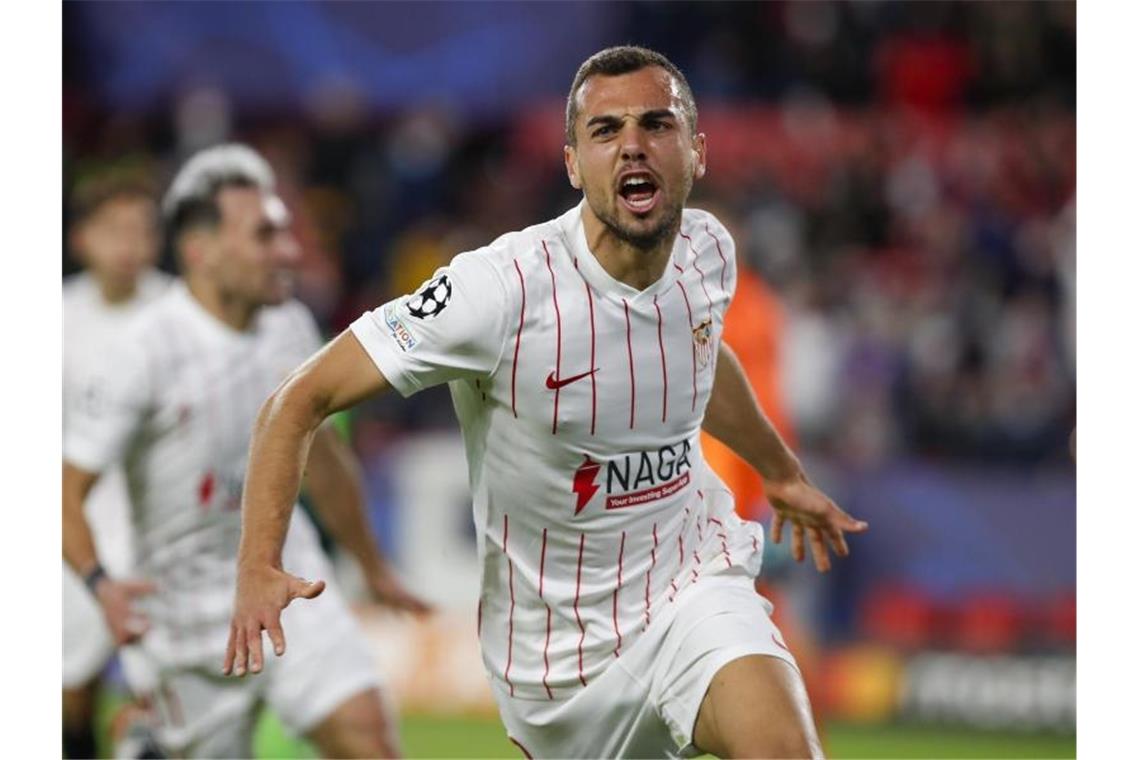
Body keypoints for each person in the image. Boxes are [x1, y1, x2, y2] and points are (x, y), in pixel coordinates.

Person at [226, 46, 868, 759]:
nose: (633, 145)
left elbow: (698, 357)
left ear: (696, 151)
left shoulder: (708, 253)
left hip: (693, 586)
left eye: (657, 124)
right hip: (557, 661)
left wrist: (780, 472)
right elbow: (296, 400)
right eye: (605, 130)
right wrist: (258, 564)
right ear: (572, 164)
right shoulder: (495, 292)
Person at [63, 144, 429, 758]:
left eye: (285, 233)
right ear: (201, 251)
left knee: (368, 739)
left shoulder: (290, 327)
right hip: (184, 614)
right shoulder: (142, 349)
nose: (289, 252)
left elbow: (328, 463)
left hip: (292, 583)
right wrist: (100, 584)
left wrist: (372, 566)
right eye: (265, 236)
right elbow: (64, 491)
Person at [63, 166, 172, 759]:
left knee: (159, 688)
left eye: (142, 231)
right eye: (115, 231)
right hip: (72, 525)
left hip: (161, 526)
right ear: (82, 237)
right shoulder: (55, 320)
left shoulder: (179, 314)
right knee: (70, 688)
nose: (129, 246)